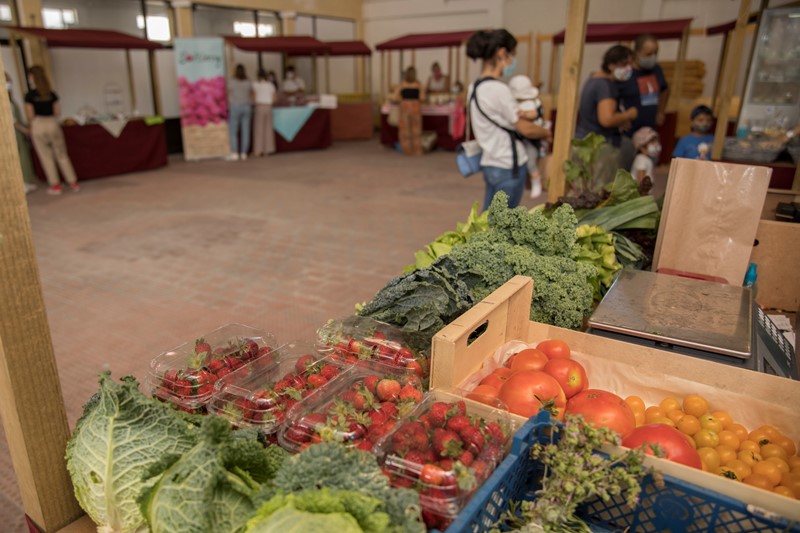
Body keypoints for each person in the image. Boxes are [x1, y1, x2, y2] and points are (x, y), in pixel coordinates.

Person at [466, 29, 551, 210]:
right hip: (508, 166)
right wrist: (546, 132)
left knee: (487, 222)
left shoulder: (474, 87)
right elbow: (525, 128)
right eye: (512, 55)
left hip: (490, 162)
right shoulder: (499, 89)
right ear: (502, 53)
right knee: (502, 228)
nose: (512, 61)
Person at [617, 34, 670, 170]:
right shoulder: (625, 73)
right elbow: (612, 96)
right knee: (624, 172)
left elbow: (665, 90)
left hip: (649, 134)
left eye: (655, 53)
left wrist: (661, 111)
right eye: (648, 53)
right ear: (636, 53)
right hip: (629, 135)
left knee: (645, 174)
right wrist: (620, 116)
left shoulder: (656, 70)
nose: (652, 56)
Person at [24, 65, 79, 195]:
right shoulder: (52, 94)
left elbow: (30, 115)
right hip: (53, 123)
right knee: (61, 154)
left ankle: (55, 185)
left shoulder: (30, 96)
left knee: (46, 156)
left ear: (32, 77)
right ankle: (73, 182)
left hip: (38, 124)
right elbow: (57, 112)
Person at [575, 45, 638, 148]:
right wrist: (629, 114)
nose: (628, 69)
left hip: (587, 141)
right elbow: (607, 119)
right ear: (611, 65)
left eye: (630, 65)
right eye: (624, 64)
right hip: (599, 145)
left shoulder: (593, 79)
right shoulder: (605, 86)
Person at [509, 74, 549, 199]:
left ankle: (536, 181)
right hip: (519, 138)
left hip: (531, 139)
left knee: (531, 162)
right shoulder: (515, 102)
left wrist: (522, 114)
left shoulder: (532, 103)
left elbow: (533, 114)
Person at [7, 72, 37, 194]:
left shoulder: (11, 99)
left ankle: (25, 181)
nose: (8, 84)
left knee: (23, 157)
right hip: (12, 132)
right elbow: (11, 119)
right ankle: (20, 183)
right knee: (16, 158)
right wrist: (25, 129)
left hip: (18, 132)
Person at [392, 66, 425, 156]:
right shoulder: (419, 85)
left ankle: (407, 150)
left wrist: (403, 100)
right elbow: (422, 98)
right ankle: (417, 150)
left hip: (405, 108)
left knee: (405, 130)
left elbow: (394, 97)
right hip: (416, 108)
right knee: (416, 130)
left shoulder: (402, 85)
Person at [226, 64, 253, 161]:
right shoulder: (248, 81)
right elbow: (251, 93)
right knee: (245, 130)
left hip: (235, 106)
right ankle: (244, 153)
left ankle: (235, 152)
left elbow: (228, 92)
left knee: (233, 131)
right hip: (247, 106)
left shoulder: (232, 81)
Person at [252, 68, 276, 157]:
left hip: (260, 106)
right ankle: (268, 150)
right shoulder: (270, 85)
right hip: (269, 106)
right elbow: (274, 98)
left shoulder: (255, 84)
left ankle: (258, 150)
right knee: (268, 129)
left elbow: (253, 97)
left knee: (259, 129)